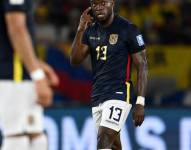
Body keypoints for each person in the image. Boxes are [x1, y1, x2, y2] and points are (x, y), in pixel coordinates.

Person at [70, 0, 148, 149]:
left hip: (119, 93)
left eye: (103, 3)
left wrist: (140, 102)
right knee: (113, 145)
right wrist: (81, 29)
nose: (98, 7)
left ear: (112, 3)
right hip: (98, 95)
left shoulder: (128, 29)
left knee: (104, 137)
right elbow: (75, 59)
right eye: (95, 4)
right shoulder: (91, 31)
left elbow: (142, 65)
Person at [0, 0, 59, 150]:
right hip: (14, 74)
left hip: (19, 70)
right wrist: (37, 75)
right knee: (17, 137)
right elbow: (17, 29)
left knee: (36, 138)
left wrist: (36, 63)